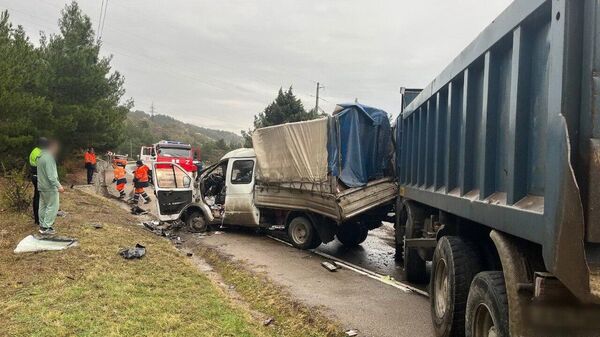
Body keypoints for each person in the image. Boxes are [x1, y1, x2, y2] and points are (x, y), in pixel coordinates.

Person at [37, 139, 64, 235]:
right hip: (49, 187)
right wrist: (59, 186)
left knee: (43, 206)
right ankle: (46, 227)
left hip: (41, 186)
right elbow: (51, 176)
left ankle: (42, 225)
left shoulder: (40, 156)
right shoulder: (49, 158)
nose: (57, 149)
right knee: (52, 206)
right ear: (51, 147)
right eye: (56, 147)